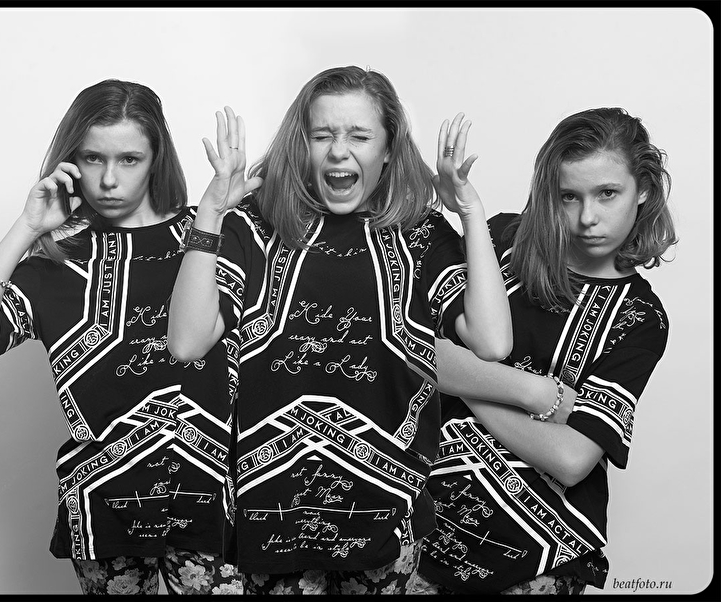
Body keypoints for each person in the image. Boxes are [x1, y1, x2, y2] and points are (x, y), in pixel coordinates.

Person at [167, 65, 512, 595]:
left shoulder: (419, 234)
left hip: (386, 512)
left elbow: (492, 342)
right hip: (271, 512)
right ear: (301, 143)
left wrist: (468, 211)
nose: (338, 151)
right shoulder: (254, 225)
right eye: (322, 135)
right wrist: (211, 213)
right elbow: (186, 342)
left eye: (359, 136)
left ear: (389, 149)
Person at [0, 79, 242, 595]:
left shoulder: (216, 234)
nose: (108, 180)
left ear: (156, 160)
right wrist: (28, 226)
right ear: (72, 161)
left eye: (129, 159)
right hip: (106, 503)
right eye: (93, 158)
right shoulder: (58, 260)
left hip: (214, 498)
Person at [407, 107, 678, 595]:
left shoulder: (640, 317)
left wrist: (464, 378)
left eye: (607, 193)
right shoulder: (500, 241)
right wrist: (537, 394)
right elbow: (414, 349)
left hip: (540, 554)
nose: (587, 218)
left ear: (643, 189)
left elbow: (572, 458)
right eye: (569, 196)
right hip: (420, 528)